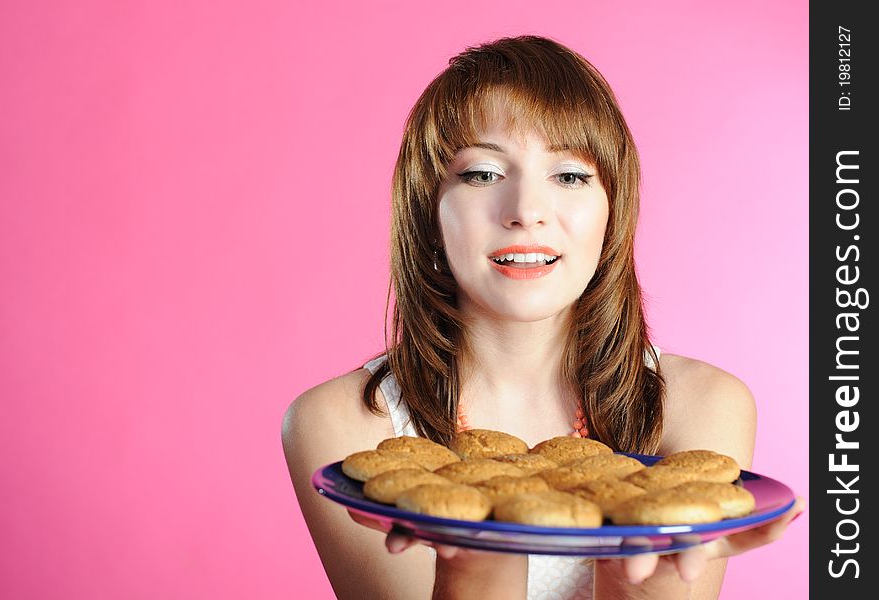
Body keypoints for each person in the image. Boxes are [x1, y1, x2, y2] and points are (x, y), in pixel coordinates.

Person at [282, 35, 802, 599]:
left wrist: (648, 573)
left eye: (571, 176)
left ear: (614, 209)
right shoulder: (343, 427)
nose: (527, 211)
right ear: (428, 209)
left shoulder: (701, 406)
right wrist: (473, 558)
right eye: (482, 174)